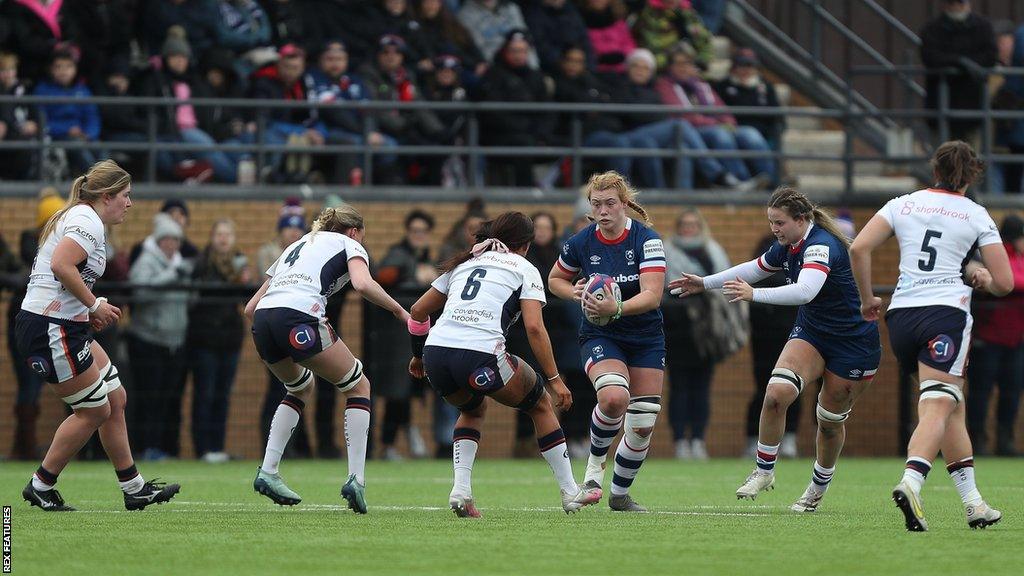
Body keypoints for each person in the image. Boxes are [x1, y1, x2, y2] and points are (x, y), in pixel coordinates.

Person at [670, 186, 880, 512]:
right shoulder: (788, 244)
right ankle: (764, 471)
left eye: (779, 222)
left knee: (828, 422)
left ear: (802, 219)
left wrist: (755, 296)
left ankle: (816, 488)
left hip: (853, 343)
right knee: (776, 393)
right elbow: (755, 268)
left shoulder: (821, 246)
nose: (774, 229)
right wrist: (705, 283)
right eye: (771, 222)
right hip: (813, 333)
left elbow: (805, 291)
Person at [850, 140, 1012, 531]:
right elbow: (1005, 283)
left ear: (934, 169)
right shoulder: (975, 214)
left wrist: (867, 298)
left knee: (948, 406)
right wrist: (982, 276)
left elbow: (859, 248)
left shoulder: (903, 203)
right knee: (938, 407)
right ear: (972, 175)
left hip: (903, 316)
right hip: (945, 315)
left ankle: (974, 503)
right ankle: (912, 481)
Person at [407, 211, 602, 516]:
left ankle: (461, 491)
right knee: (539, 404)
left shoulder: (464, 263)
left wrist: (418, 355)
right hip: (479, 355)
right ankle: (569, 492)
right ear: (525, 244)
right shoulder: (524, 268)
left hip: (436, 355)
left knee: (472, 409)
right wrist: (554, 379)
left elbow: (417, 311)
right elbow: (535, 328)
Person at [16, 159, 180, 511]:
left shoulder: (84, 217)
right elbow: (62, 264)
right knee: (94, 410)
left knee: (115, 398)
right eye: (126, 195)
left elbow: (60, 275)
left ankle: (134, 488)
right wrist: (93, 305)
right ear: (106, 196)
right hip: (49, 328)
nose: (130, 203)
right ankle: (40, 485)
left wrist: (87, 309)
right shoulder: (86, 219)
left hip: (62, 324)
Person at [247, 204, 410, 514]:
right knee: (359, 386)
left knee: (298, 387)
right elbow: (363, 284)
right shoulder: (348, 244)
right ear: (353, 232)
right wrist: (399, 310)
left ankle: (268, 470)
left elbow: (250, 308)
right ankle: (356, 480)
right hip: (299, 317)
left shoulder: (297, 244)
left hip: (264, 320)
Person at [548, 171, 666, 512]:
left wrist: (616, 308)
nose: (603, 210)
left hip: (645, 337)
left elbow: (653, 295)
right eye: (596, 204)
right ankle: (593, 473)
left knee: (642, 424)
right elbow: (555, 278)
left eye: (610, 203)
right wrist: (573, 291)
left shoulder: (647, 240)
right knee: (614, 398)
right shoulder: (581, 242)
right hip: (601, 334)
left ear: (624, 205)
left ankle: (619, 495)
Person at [662, 207, 733, 460]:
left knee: (702, 387)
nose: (688, 228)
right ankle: (680, 441)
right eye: (684, 223)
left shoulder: (713, 250)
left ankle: (698, 440)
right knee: (679, 387)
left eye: (693, 224)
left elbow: (724, 285)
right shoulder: (667, 252)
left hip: (709, 331)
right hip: (678, 330)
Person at [126, 211, 194, 461]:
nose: (172, 244)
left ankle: (164, 447)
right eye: (167, 239)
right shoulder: (146, 260)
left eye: (176, 240)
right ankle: (145, 447)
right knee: (148, 398)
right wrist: (171, 277)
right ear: (159, 240)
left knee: (168, 399)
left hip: (175, 341)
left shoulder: (180, 264)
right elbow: (139, 293)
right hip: (148, 339)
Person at [374, 209, 438, 460]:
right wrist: (412, 276)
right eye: (415, 231)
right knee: (397, 391)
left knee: (408, 391)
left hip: (415, 337)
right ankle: (391, 442)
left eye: (423, 231)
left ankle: (405, 435)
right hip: (395, 338)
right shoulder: (398, 255)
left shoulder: (426, 258)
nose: (418, 235)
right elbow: (383, 276)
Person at [188, 219, 252, 463]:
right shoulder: (202, 263)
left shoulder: (239, 265)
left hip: (230, 339)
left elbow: (248, 301)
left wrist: (244, 282)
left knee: (223, 395)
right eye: (220, 234)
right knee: (204, 393)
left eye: (228, 234)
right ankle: (203, 449)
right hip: (204, 338)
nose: (224, 239)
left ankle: (217, 446)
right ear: (213, 237)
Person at [967, 214, 1024, 456]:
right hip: (988, 339)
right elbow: (1009, 281)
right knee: (981, 392)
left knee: (1012, 391)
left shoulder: (1018, 258)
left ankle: (1005, 440)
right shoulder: (998, 256)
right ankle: (978, 440)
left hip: (1015, 340)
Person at [745, 233, 801, 459]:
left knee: (792, 386)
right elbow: (750, 277)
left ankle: (789, 438)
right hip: (765, 334)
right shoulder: (768, 251)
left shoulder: (804, 254)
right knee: (764, 386)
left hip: (794, 332)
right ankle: (755, 440)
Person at [919, 0, 997, 142]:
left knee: (971, 157)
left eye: (960, 3)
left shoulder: (982, 27)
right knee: (944, 157)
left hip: (973, 107)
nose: (956, 8)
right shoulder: (932, 28)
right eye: (952, 3)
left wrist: (957, 62)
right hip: (941, 106)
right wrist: (962, 62)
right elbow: (930, 57)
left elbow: (990, 56)